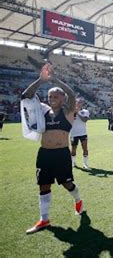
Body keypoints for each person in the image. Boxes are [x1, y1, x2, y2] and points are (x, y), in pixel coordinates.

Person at [22, 63, 83, 234]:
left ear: (62, 99)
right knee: (43, 185)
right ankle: (44, 219)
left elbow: (71, 93)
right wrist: (40, 81)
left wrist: (55, 79)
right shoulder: (43, 112)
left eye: (55, 96)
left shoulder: (68, 111)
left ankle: (78, 199)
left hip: (61, 154)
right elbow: (26, 96)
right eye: (50, 97)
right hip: (44, 154)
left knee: (66, 183)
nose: (51, 99)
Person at [70, 98, 90, 169]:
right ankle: (73, 163)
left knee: (85, 149)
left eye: (80, 102)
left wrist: (78, 112)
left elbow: (85, 120)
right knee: (73, 149)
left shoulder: (85, 111)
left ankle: (85, 164)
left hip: (83, 133)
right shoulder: (71, 111)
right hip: (73, 133)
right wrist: (74, 112)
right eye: (78, 102)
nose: (79, 104)